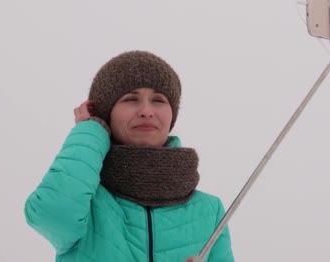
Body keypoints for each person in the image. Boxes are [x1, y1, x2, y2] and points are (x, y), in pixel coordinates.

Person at [24, 50, 234, 262]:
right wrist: (91, 130)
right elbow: (51, 214)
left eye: (159, 100)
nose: (146, 111)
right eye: (131, 99)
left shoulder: (209, 211)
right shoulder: (87, 204)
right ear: (106, 114)